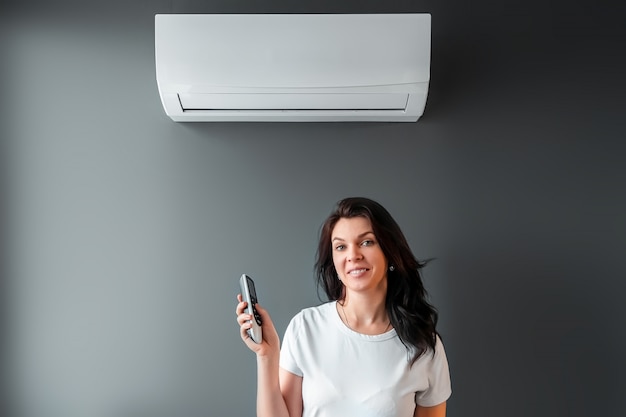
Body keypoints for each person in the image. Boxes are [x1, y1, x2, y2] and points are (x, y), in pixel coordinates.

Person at [236, 197, 451, 417]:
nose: (353, 255)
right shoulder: (305, 328)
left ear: (390, 252)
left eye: (366, 242)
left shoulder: (424, 345)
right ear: (334, 262)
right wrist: (267, 357)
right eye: (340, 246)